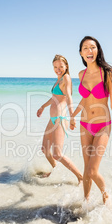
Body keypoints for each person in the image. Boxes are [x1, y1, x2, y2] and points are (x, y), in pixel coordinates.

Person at [70, 36, 112, 204]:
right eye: (85, 48)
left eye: (93, 47)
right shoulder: (81, 74)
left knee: (93, 171)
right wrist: (73, 115)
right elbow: (85, 99)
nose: (89, 51)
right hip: (84, 124)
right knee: (86, 169)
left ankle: (105, 193)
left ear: (98, 50)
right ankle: (85, 203)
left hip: (103, 125)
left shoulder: (108, 72)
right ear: (81, 53)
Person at [37, 54, 83, 183]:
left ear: (66, 66)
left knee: (57, 153)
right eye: (55, 67)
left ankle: (81, 177)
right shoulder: (58, 79)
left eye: (61, 66)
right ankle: (55, 169)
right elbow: (54, 97)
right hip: (52, 119)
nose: (58, 69)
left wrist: (73, 117)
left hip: (60, 118)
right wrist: (43, 107)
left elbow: (68, 97)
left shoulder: (66, 78)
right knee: (45, 149)